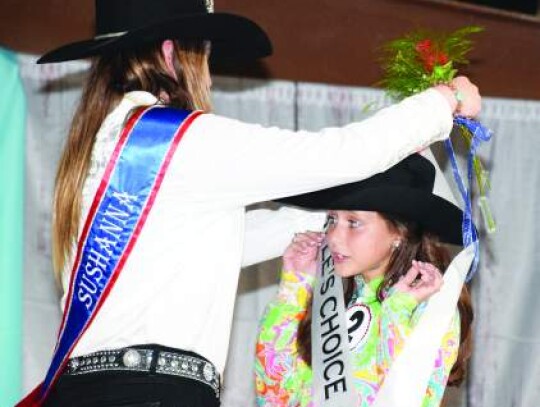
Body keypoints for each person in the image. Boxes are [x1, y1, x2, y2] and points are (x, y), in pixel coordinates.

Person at [23, 0, 481, 405]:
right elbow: (333, 156)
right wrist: (442, 103)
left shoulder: (99, 152)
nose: (204, 68)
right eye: (201, 53)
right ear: (170, 53)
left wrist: (362, 201)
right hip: (151, 391)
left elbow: (210, 250)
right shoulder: (181, 139)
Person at [255, 154, 473, 407]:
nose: (334, 237)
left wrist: (397, 310)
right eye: (332, 220)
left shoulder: (427, 304)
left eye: (354, 222)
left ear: (399, 233)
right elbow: (274, 397)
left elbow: (408, 399)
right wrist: (295, 287)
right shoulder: (332, 304)